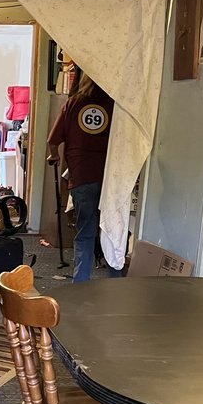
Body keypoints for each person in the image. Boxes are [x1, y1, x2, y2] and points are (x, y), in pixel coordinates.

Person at [47, 74, 123, 283]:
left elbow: (53, 140)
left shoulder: (73, 103)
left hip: (82, 175)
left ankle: (80, 283)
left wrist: (54, 155)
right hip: (111, 178)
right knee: (112, 232)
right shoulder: (115, 105)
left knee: (85, 232)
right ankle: (115, 282)